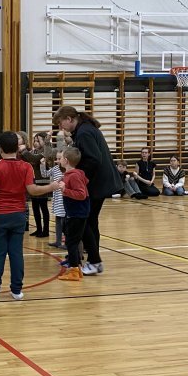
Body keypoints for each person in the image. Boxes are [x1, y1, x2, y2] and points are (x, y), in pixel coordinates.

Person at [0, 131, 59, 301]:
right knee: (16, 253)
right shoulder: (26, 167)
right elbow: (32, 190)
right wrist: (51, 187)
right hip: (18, 215)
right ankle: (17, 291)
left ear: (0, 149)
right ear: (18, 148)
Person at [53, 106, 122, 276]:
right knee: (89, 222)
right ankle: (91, 260)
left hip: (96, 184)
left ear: (69, 119)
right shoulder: (84, 130)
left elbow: (94, 159)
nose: (61, 127)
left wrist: (79, 180)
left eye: (61, 123)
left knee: (85, 222)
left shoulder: (84, 132)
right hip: (97, 183)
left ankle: (95, 261)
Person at [57, 147, 90, 282]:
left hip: (77, 213)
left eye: (60, 158)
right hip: (74, 212)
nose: (59, 160)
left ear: (66, 160)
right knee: (72, 241)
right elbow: (86, 181)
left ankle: (74, 271)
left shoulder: (74, 175)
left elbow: (81, 194)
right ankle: (77, 268)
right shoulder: (75, 174)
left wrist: (65, 190)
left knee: (71, 242)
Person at [42, 148, 66, 248]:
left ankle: (67, 242)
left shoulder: (68, 170)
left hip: (64, 199)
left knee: (64, 222)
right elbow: (45, 174)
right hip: (57, 199)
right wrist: (43, 165)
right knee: (58, 220)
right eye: (57, 158)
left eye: (59, 158)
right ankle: (58, 241)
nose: (57, 161)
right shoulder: (55, 168)